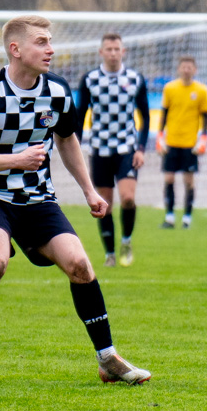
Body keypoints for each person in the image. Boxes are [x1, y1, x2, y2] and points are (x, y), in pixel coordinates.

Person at [0, 15, 150, 384]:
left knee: (81, 265)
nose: (50, 49)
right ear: (15, 49)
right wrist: (15, 160)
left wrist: (89, 190)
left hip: (37, 200)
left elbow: (67, 139)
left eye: (50, 41)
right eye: (41, 42)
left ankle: (108, 359)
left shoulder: (58, 91)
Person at [77, 33, 150, 267]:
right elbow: (80, 115)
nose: (113, 53)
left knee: (128, 198)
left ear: (123, 51)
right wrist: (76, 146)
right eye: (108, 49)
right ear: (101, 52)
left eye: (117, 49)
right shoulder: (90, 79)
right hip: (100, 149)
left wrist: (140, 148)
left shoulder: (135, 79)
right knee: (104, 203)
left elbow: (145, 117)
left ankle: (126, 240)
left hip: (127, 148)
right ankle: (109, 254)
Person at [156, 57, 207, 229]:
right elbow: (164, 112)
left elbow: (205, 115)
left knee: (189, 181)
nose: (186, 70)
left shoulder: (201, 91)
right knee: (169, 178)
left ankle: (187, 217)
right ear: (179, 69)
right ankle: (169, 216)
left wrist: (204, 138)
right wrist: (160, 136)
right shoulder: (170, 88)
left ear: (195, 70)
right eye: (184, 67)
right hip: (172, 142)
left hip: (189, 143)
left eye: (190, 67)